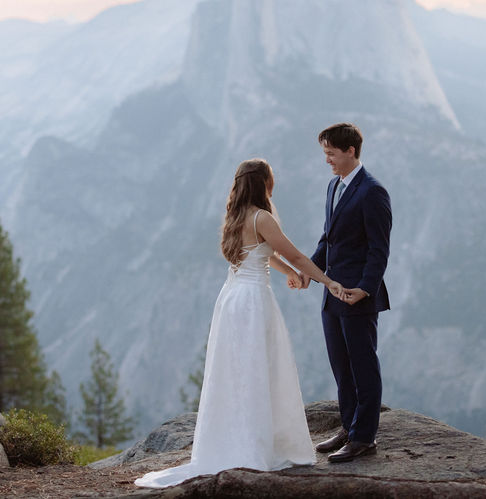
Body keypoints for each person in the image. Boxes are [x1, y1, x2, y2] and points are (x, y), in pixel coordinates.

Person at [135, 158, 347, 488]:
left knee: (234, 371)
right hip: (252, 302)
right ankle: (254, 445)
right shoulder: (262, 217)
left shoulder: (236, 215)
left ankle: (232, 440)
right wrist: (326, 281)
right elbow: (296, 255)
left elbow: (263, 256)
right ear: (266, 183)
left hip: (231, 298)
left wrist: (292, 275)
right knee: (258, 369)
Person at [306, 122, 392, 463]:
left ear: (350, 151)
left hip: (357, 295)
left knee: (362, 366)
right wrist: (308, 273)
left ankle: (364, 438)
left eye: (331, 153)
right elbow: (328, 240)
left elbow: (379, 250)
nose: (327, 160)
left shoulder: (373, 192)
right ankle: (348, 426)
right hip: (331, 294)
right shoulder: (333, 186)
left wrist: (365, 289)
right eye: (325, 153)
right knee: (341, 366)